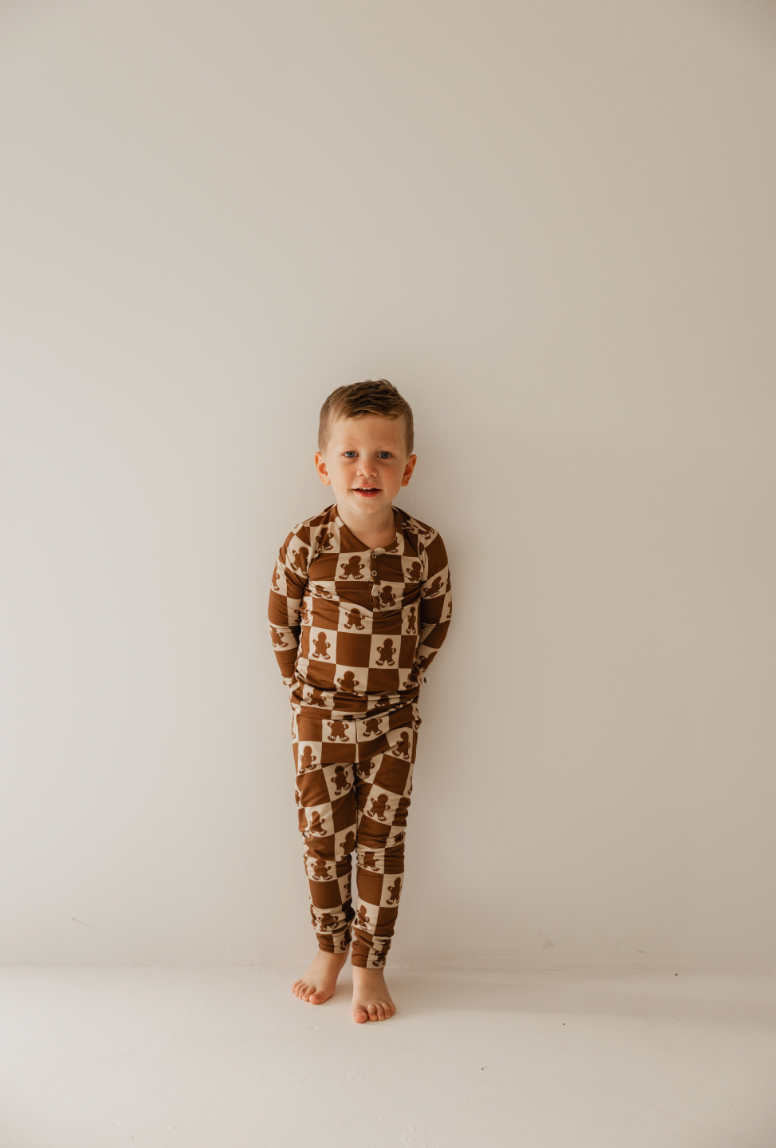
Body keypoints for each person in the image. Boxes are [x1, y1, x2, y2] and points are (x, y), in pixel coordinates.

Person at [267, 379, 452, 1023]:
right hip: (318, 721)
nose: (366, 469)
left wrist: (401, 688)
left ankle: (371, 965)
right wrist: (303, 693)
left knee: (380, 843)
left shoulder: (424, 548)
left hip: (392, 725)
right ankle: (329, 950)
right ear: (323, 465)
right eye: (349, 454)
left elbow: (435, 624)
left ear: (408, 467)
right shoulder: (306, 544)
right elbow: (280, 624)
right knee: (324, 842)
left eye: (383, 455)